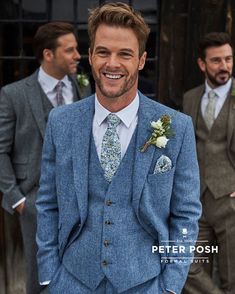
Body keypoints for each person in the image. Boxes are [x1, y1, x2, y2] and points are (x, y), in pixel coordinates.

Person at [36, 3, 201, 294]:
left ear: (141, 60)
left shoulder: (178, 127)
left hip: (148, 283)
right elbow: (48, 204)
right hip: (72, 281)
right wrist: (50, 275)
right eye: (103, 52)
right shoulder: (61, 122)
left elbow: (186, 213)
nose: (112, 63)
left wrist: (171, 285)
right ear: (90, 56)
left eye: (124, 53)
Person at [0, 21, 90, 294]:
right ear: (48, 54)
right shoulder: (14, 94)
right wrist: (16, 199)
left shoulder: (84, 89)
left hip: (81, 199)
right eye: (70, 50)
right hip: (34, 201)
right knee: (38, 278)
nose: (78, 55)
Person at [182, 32, 235, 294]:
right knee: (186, 265)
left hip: (231, 203)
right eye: (216, 61)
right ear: (202, 64)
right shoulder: (190, 98)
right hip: (196, 203)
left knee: (232, 277)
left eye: (228, 59)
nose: (224, 66)